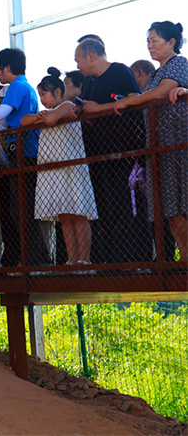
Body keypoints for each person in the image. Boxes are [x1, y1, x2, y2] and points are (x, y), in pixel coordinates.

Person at [98, 22, 187, 256]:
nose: (150, 46)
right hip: (159, 145)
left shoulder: (179, 64)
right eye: (148, 41)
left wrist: (128, 101)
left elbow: (160, 92)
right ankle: (185, 256)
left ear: (171, 43)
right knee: (169, 205)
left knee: (181, 201)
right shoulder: (157, 72)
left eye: (154, 40)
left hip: (178, 142)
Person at [74, 37, 150, 263]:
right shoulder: (89, 82)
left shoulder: (120, 72)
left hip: (127, 151)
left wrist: (100, 108)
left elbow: (135, 98)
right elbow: (87, 108)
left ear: (91, 56)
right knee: (110, 208)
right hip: (100, 152)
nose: (77, 66)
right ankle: (115, 258)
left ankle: (138, 259)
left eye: (78, 60)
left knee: (132, 207)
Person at [0, 48, 49, 268]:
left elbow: (0, 115)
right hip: (23, 151)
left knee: (22, 211)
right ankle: (35, 258)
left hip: (23, 152)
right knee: (19, 210)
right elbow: (6, 121)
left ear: (7, 67)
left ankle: (37, 259)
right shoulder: (23, 86)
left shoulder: (17, 86)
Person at [22, 68, 98, 269]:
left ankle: (84, 259)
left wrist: (43, 117)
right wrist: (40, 117)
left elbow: (50, 120)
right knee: (64, 215)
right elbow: (24, 121)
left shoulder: (67, 105)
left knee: (78, 212)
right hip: (52, 169)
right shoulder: (47, 111)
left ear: (57, 91)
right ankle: (71, 259)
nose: (42, 99)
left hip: (71, 167)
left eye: (44, 94)